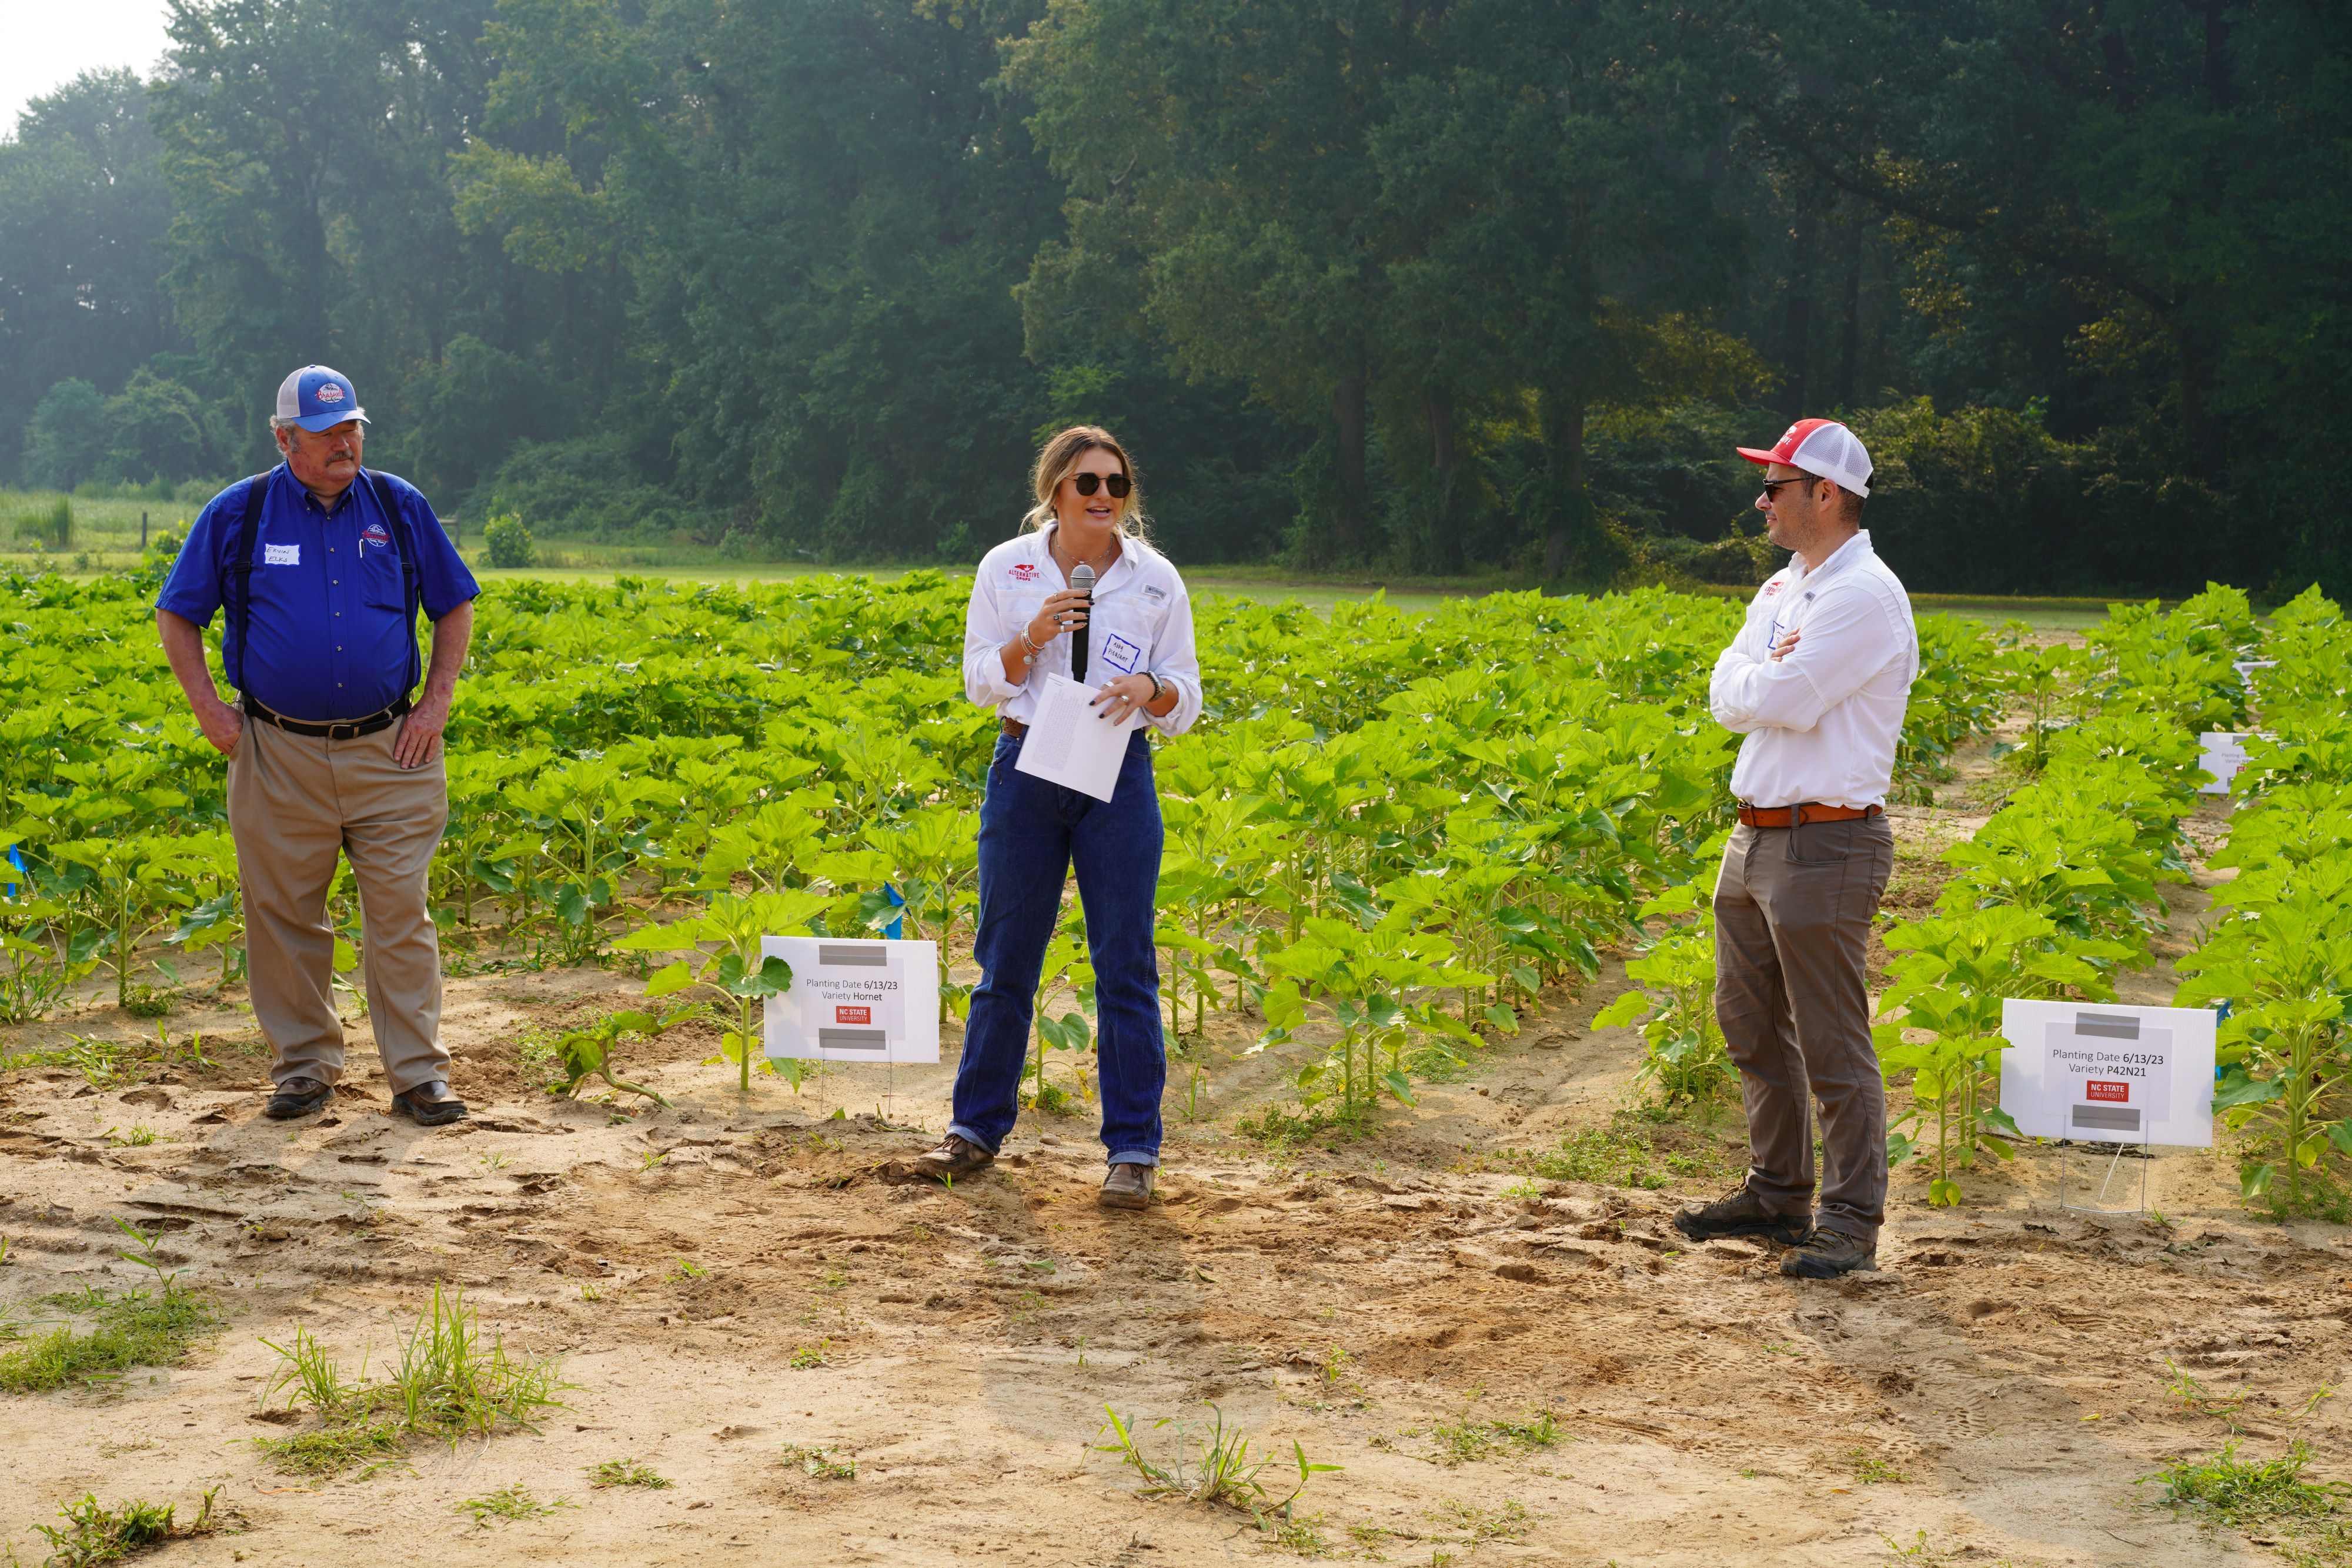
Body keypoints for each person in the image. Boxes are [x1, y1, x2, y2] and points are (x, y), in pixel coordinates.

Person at [155, 365, 480, 1126]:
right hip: (277, 752)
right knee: (284, 914)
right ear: (284, 439)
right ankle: (304, 1068)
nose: (346, 442)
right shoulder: (241, 512)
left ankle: (418, 1075)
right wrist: (212, 715)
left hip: (392, 751)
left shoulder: (399, 508)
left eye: (353, 427)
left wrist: (435, 707)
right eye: (328, 431)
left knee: (401, 911)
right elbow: (179, 615)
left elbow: (454, 605)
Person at [910, 425, 1202, 1209]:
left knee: (1126, 963)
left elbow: (1187, 696)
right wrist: (1029, 639)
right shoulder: (1007, 569)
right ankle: (973, 1133)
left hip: (1117, 770)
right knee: (1006, 959)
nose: (1104, 496)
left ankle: (1133, 1150)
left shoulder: (1155, 579)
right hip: (1028, 767)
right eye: (1087, 483)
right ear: (1055, 492)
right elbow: (977, 681)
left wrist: (1150, 691)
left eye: (1116, 483)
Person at [1674, 418, 1918, 1279]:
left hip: (1829, 839)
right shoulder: (1786, 586)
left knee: (1830, 1039)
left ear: (1825, 494)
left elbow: (1783, 695)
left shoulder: (1865, 595)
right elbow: (1732, 688)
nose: (1762, 500)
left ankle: (1851, 1220)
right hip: (1756, 834)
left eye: (1774, 485)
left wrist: (1757, 686)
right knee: (1747, 1023)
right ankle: (1778, 1190)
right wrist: (1758, 686)